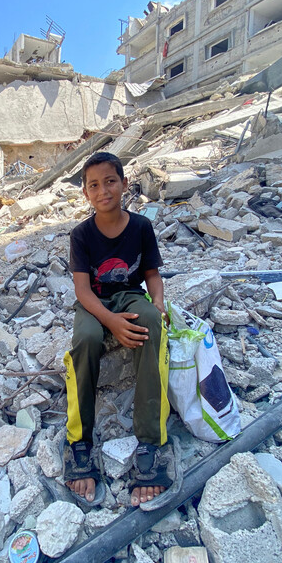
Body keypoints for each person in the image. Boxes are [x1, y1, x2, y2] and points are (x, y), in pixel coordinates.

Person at [64, 151, 173, 508]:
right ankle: (79, 441)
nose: (103, 190)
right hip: (94, 302)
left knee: (152, 325)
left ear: (124, 183)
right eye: (93, 185)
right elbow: (82, 290)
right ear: (85, 193)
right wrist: (109, 321)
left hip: (129, 295)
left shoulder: (141, 226)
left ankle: (150, 441)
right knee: (87, 338)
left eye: (110, 181)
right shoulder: (81, 234)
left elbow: (153, 276)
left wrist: (157, 303)